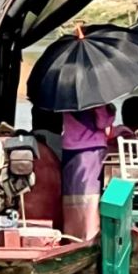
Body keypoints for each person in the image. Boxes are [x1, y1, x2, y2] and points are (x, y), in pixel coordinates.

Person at [60, 103, 116, 241]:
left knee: (72, 195)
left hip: (69, 148)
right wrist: (111, 110)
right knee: (90, 196)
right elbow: (102, 122)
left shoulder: (66, 99)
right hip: (90, 149)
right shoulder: (93, 101)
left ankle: (72, 235)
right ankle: (89, 236)